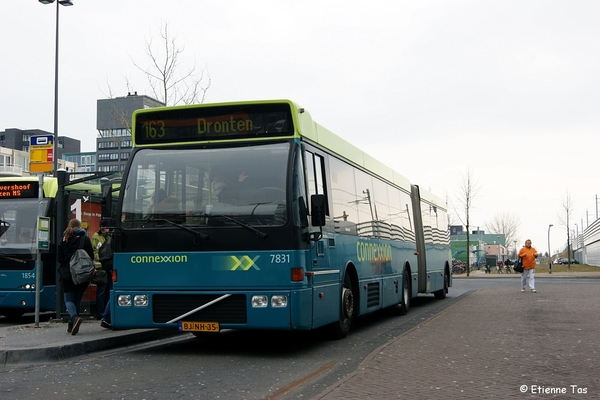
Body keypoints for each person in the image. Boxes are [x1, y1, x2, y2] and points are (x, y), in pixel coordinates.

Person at [57, 218, 94, 335]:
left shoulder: (63, 240)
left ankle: (73, 318)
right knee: (77, 299)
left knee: (68, 300)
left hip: (68, 274)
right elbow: (91, 256)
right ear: (79, 227)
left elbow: (60, 259)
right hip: (82, 274)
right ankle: (71, 325)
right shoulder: (85, 239)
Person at [91, 220, 112, 320]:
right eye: (104, 227)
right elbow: (94, 251)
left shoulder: (109, 237)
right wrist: (101, 258)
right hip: (100, 268)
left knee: (109, 290)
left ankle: (107, 313)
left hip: (108, 267)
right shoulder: (96, 237)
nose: (106, 229)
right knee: (101, 291)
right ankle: (100, 312)